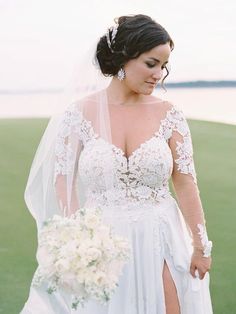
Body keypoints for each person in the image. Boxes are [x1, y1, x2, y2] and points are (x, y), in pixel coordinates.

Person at [21, 14, 213, 314]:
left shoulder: (170, 114)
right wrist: (79, 240)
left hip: (160, 236)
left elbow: (186, 182)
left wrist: (201, 247)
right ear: (124, 58)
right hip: (103, 242)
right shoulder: (79, 114)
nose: (159, 74)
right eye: (152, 64)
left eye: (164, 66)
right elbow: (62, 180)